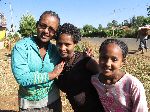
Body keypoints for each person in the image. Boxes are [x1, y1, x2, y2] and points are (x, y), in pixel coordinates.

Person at [11, 10, 65, 112]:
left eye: (51, 29)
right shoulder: (21, 47)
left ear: (55, 32)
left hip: (53, 100)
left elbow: (70, 60)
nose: (46, 31)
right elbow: (22, 77)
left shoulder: (55, 50)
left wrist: (85, 57)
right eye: (43, 26)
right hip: (29, 104)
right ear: (37, 25)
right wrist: (51, 75)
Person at [55, 23, 104, 112]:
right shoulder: (60, 63)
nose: (62, 48)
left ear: (75, 43)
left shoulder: (85, 60)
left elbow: (104, 79)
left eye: (67, 44)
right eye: (59, 43)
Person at [91, 39, 148, 111]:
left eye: (114, 59)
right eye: (104, 58)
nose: (107, 64)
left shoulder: (132, 85)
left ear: (123, 62)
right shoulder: (95, 81)